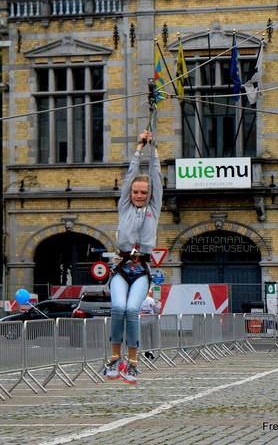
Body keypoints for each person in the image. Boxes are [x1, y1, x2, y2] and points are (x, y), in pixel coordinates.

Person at [105, 129, 162, 384]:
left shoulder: (153, 208)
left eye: (143, 193)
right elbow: (130, 176)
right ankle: (115, 359)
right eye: (136, 192)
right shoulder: (125, 206)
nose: (139, 195)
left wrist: (155, 148)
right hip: (120, 267)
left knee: (131, 309)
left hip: (140, 270)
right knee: (118, 307)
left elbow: (156, 178)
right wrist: (140, 147)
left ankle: (133, 362)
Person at [140, 289, 160, 361]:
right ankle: (152, 350)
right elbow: (156, 310)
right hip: (151, 320)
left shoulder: (139, 300)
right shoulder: (151, 300)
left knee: (144, 338)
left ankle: (146, 351)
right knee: (153, 336)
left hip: (142, 321)